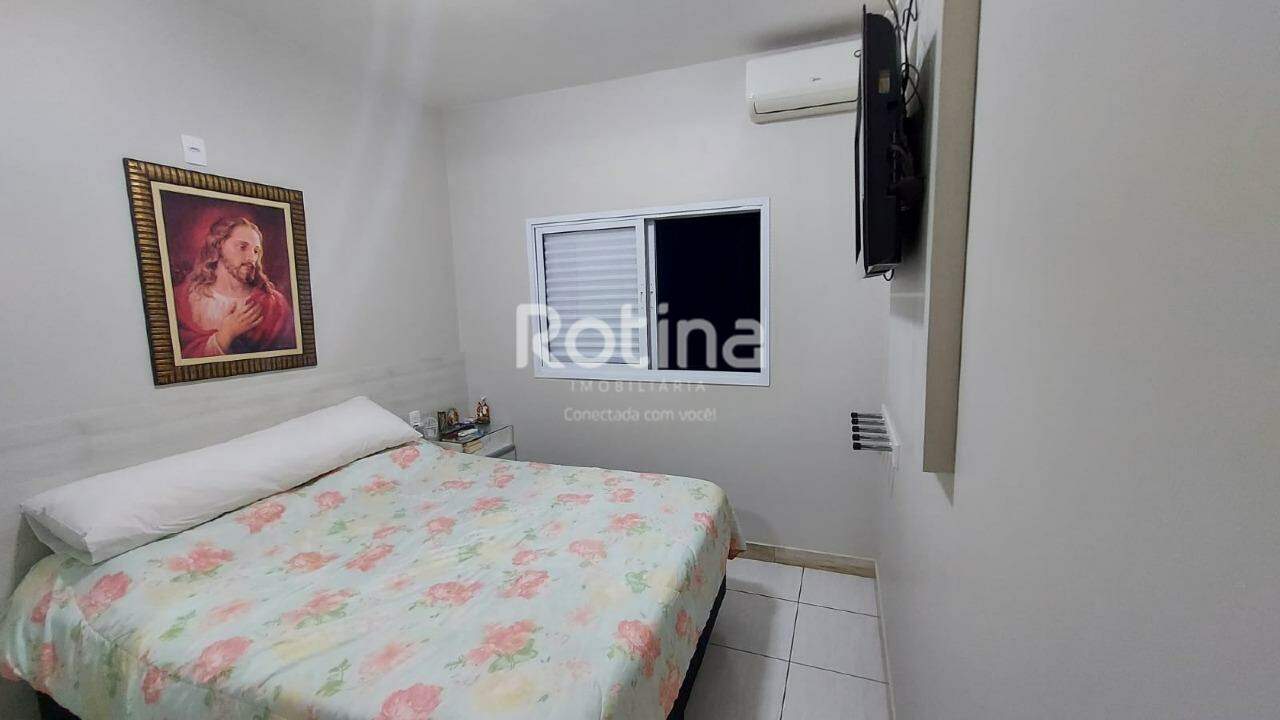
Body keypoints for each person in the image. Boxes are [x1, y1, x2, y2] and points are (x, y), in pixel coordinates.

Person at [173, 216, 296, 358]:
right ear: (219, 246)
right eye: (243, 247)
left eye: (256, 251)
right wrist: (226, 335)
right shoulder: (183, 300)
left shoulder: (275, 305)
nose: (251, 258)